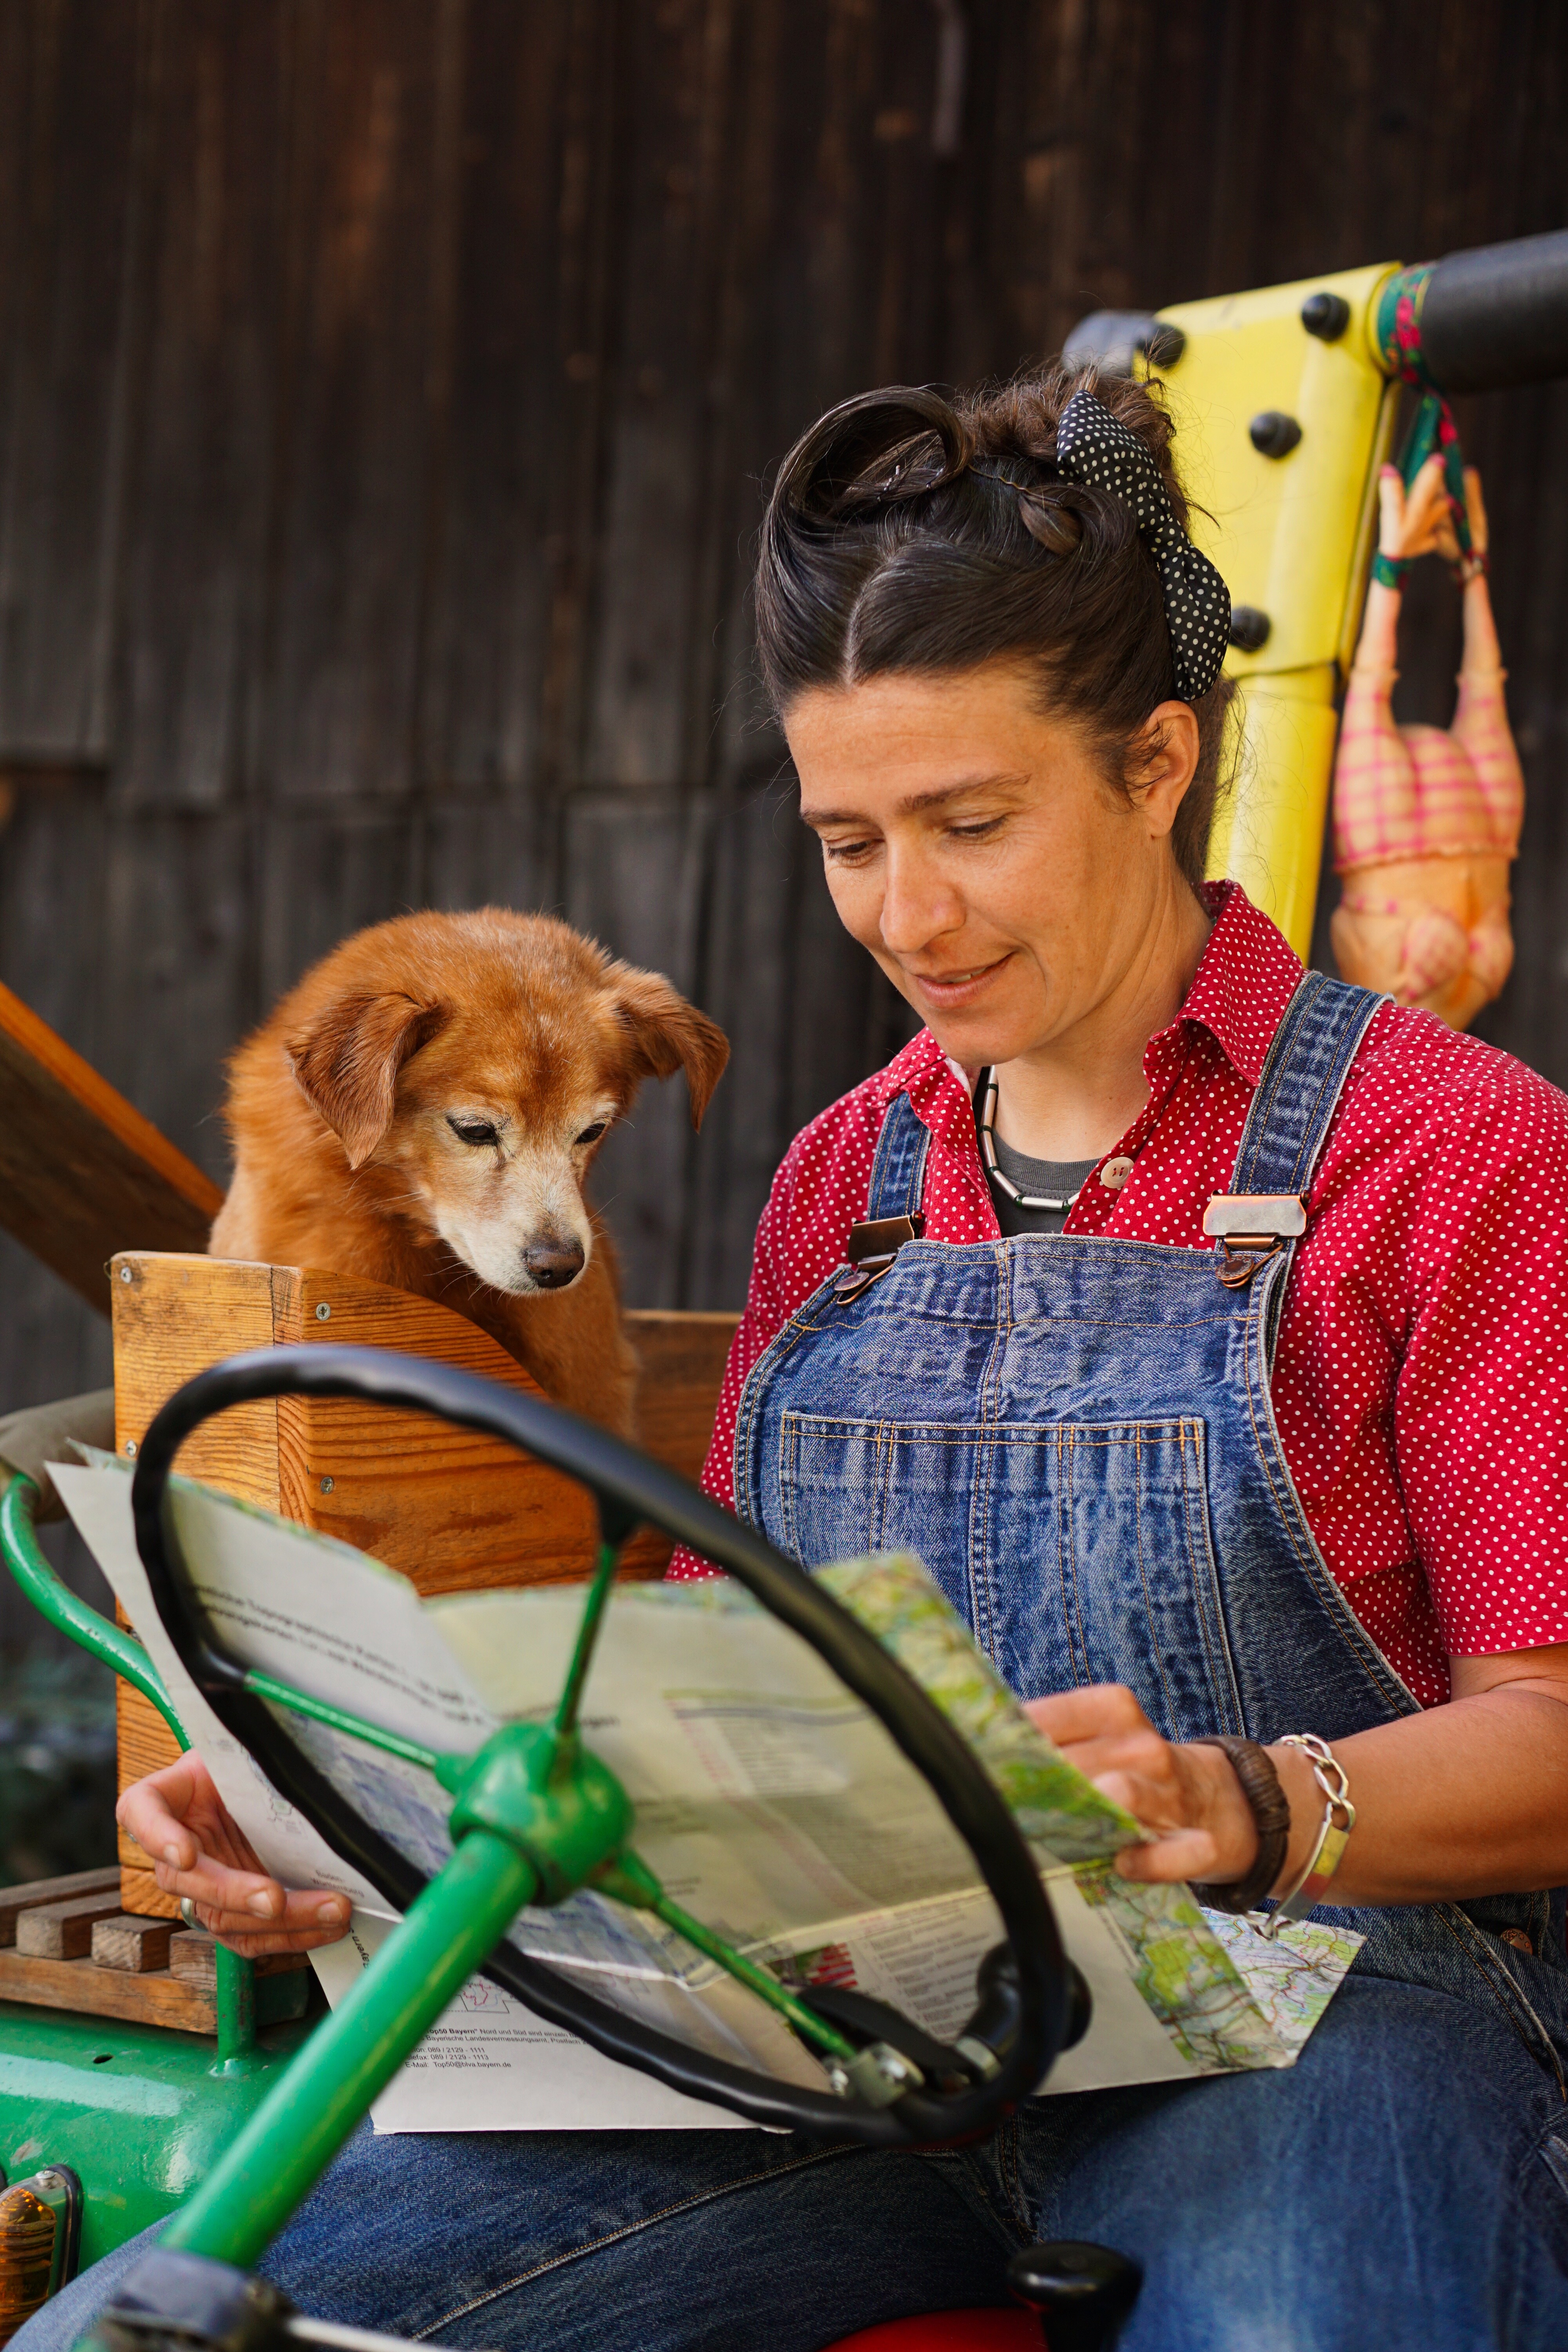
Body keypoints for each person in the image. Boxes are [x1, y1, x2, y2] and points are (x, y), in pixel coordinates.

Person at [26, 364, 1568, 2352]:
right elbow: (718, 1669)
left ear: (1155, 765)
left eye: (972, 823)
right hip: (856, 2024)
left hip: (1318, 2004)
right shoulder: (849, 1178)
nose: (907, 915)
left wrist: (1250, 1799)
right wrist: (334, 1798)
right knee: (183, 2322)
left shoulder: (1450, 1150)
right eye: (848, 840)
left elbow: (1550, 1725)